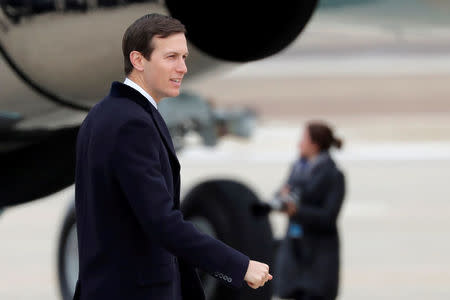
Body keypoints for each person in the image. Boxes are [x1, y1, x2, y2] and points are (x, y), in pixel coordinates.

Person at [73, 14, 271, 300]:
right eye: (171, 57)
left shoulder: (102, 114)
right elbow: (161, 222)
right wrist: (240, 266)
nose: (183, 68)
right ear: (139, 60)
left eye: (184, 57)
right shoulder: (132, 124)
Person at [273, 121, 346, 300]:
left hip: (318, 256)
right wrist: (281, 199)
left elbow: (329, 217)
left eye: (303, 139)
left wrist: (297, 211)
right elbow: (280, 194)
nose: (299, 144)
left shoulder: (334, 175)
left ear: (315, 144)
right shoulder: (297, 169)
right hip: (294, 252)